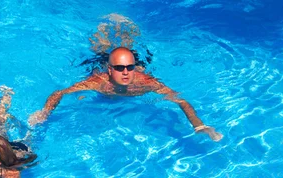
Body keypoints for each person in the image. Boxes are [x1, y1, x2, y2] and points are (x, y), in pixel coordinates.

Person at [28, 16, 222, 141]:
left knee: (130, 48)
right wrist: (45, 112)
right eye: (120, 68)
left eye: (129, 68)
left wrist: (199, 125)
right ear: (110, 70)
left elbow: (180, 100)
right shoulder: (99, 82)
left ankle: (126, 25)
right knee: (100, 49)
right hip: (103, 64)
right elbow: (60, 93)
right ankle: (103, 26)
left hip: (131, 64)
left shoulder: (144, 83)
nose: (126, 72)